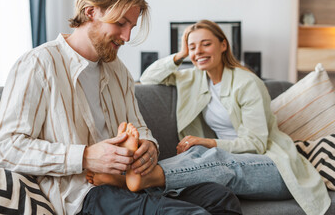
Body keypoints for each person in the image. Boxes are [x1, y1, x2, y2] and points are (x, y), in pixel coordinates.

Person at [0, 0, 242, 214]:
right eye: (120, 23)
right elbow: (3, 148)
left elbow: (140, 128)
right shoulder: (38, 64)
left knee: (221, 197)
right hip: (84, 193)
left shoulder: (118, 70)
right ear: (91, 11)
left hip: (131, 183)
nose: (127, 36)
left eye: (131, 26)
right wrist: (85, 156)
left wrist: (149, 147)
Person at [136, 20, 330, 215]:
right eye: (193, 47)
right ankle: (139, 174)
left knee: (213, 156)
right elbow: (148, 78)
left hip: (274, 166)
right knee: (197, 154)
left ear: (223, 45)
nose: (199, 51)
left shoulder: (246, 83)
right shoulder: (192, 79)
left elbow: (256, 143)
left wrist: (208, 142)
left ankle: (145, 177)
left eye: (206, 44)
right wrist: (181, 54)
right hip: (226, 161)